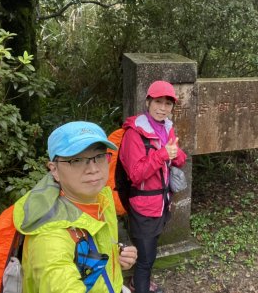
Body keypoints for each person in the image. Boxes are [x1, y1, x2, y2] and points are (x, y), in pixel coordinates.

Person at [13, 121, 138, 292]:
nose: (93, 168)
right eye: (77, 160)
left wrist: (116, 255)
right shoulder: (49, 237)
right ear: (54, 170)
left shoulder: (101, 200)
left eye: (99, 156)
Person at [120, 80, 187, 293]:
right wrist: (162, 155)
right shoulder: (134, 133)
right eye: (158, 102)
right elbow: (135, 174)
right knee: (146, 258)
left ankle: (138, 283)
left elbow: (178, 157)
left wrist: (176, 155)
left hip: (161, 204)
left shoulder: (167, 128)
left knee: (149, 251)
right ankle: (140, 287)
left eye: (168, 104)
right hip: (143, 206)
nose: (163, 108)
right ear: (148, 102)